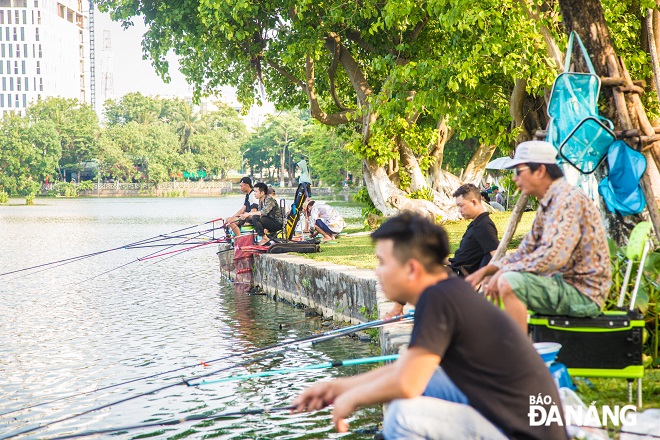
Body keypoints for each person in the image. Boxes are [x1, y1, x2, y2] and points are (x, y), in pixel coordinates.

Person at [292, 213, 567, 439]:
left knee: (403, 416)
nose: (377, 271)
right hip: (531, 420)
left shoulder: (438, 299)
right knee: (428, 382)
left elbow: (408, 383)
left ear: (412, 268)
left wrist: (352, 399)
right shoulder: (446, 292)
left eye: (382, 262)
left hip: (525, 432)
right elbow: (408, 371)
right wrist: (338, 388)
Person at [466, 140, 611, 332]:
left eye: (519, 171)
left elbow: (552, 258)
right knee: (498, 280)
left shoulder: (567, 200)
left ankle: (520, 355)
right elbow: (525, 251)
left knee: (509, 282)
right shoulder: (549, 202)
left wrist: (503, 273)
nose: (515, 178)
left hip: (582, 293)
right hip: (560, 284)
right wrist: (485, 272)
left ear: (540, 170)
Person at [386, 183, 499, 317]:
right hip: (455, 270)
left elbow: (496, 257)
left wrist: (481, 282)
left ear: (474, 202)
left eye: (461, 206)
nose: (459, 210)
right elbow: (465, 258)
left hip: (459, 278)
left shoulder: (484, 226)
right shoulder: (477, 224)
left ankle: (397, 310)